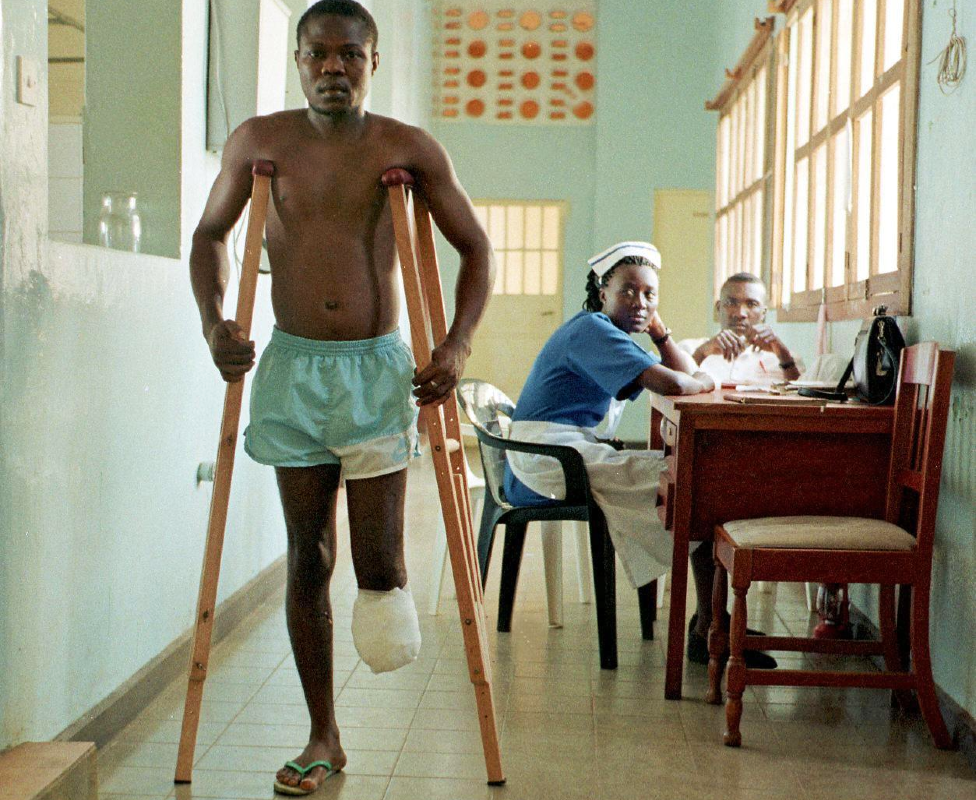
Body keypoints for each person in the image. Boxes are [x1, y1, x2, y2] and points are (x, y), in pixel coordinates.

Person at [189, 2, 493, 795]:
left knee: (379, 564)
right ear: (297, 60)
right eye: (318, 55)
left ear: (373, 62)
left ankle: (384, 622)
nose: (333, 68)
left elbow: (475, 248)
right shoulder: (260, 142)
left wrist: (456, 343)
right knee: (308, 554)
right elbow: (209, 236)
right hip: (291, 368)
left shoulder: (408, 148)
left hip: (375, 370)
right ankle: (323, 732)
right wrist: (215, 321)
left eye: (349, 56)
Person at [502, 243, 777, 669]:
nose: (639, 303)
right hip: (548, 459)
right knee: (696, 485)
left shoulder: (608, 332)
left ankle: (709, 623)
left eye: (650, 295)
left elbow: (681, 374)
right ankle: (709, 626)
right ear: (602, 291)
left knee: (697, 482)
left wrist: (660, 332)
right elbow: (674, 383)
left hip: (567, 452)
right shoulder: (592, 330)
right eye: (628, 291)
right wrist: (703, 379)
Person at [679, 273, 802, 385]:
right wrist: (700, 354)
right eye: (731, 303)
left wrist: (784, 357)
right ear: (718, 308)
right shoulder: (687, 350)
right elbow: (672, 390)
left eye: (751, 304)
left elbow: (801, 402)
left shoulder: (786, 357)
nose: (740, 313)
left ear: (764, 313)